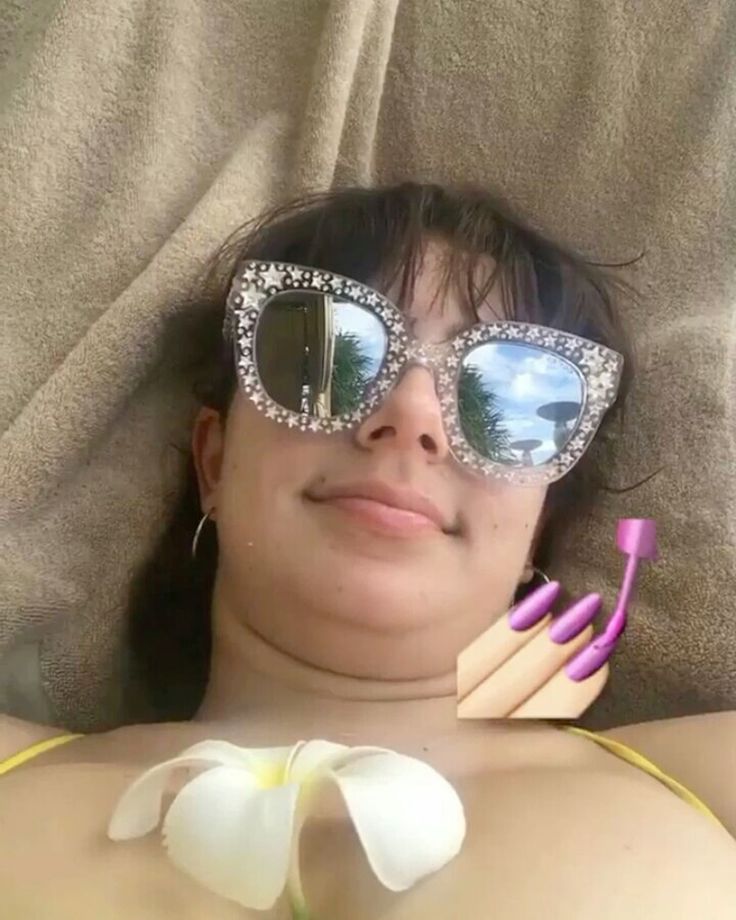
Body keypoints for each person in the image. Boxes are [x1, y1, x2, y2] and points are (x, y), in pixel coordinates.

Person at [0, 182, 734, 919]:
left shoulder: (707, 781)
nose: (413, 414)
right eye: (327, 356)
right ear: (214, 464)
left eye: (507, 397)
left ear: (535, 534)